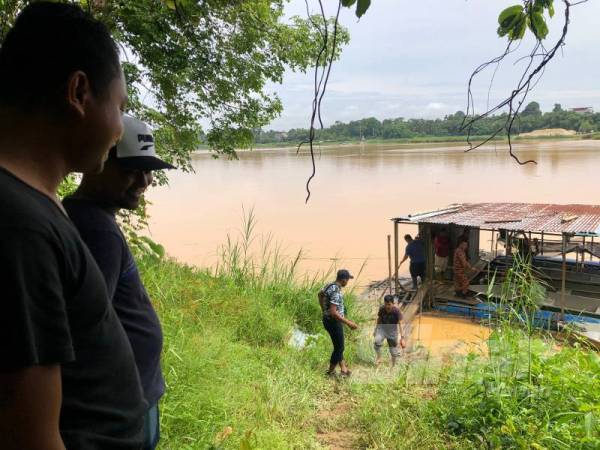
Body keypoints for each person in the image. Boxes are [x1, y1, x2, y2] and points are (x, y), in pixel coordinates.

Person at [0, 3, 146, 449]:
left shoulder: (34, 203)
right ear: (79, 92)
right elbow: (29, 437)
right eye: (119, 107)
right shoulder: (19, 226)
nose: (119, 126)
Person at [63, 115, 175, 450]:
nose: (145, 180)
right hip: (122, 406)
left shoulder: (86, 215)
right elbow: (88, 328)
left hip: (130, 396)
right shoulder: (97, 230)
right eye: (132, 170)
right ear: (98, 159)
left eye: (148, 169)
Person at [320, 269, 358, 377]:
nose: (347, 282)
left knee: (338, 345)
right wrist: (349, 323)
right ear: (344, 280)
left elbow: (320, 294)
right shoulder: (336, 291)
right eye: (347, 280)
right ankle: (330, 372)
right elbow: (333, 312)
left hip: (326, 320)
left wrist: (323, 309)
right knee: (339, 348)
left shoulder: (329, 285)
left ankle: (343, 370)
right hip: (334, 322)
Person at [373, 295, 406, 367]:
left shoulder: (396, 311)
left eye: (389, 304)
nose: (387, 306)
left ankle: (393, 366)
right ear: (384, 303)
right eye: (385, 304)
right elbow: (379, 319)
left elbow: (400, 324)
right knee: (377, 342)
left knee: (393, 352)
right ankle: (379, 357)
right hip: (382, 329)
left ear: (393, 304)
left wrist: (402, 338)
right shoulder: (382, 309)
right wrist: (375, 330)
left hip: (392, 332)